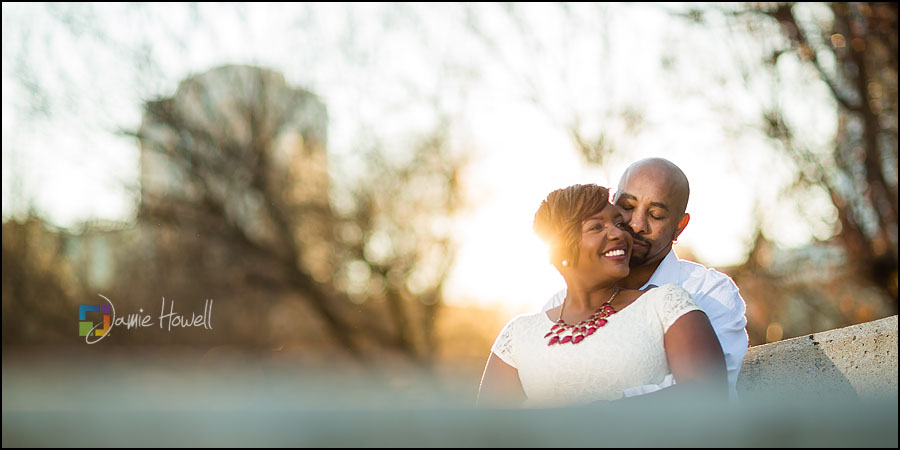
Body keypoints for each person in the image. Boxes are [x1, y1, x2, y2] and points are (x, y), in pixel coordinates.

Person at [477, 184, 726, 408]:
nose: (620, 234)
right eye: (596, 227)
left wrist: (590, 417)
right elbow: (488, 429)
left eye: (619, 223)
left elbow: (707, 395)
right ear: (561, 248)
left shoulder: (667, 304)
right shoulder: (519, 334)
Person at [540, 158, 749, 400]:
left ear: (680, 226)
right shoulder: (560, 304)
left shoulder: (709, 292)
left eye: (656, 214)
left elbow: (703, 397)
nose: (637, 224)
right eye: (627, 207)